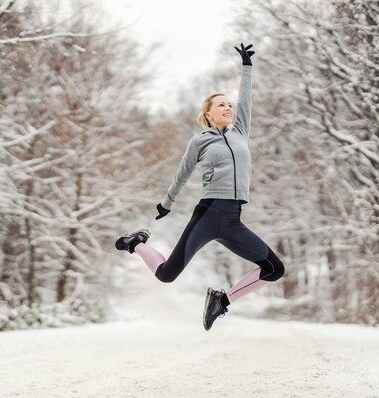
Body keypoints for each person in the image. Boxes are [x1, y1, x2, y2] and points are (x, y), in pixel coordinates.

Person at [115, 43, 285, 331]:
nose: (228, 107)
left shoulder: (240, 132)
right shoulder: (200, 140)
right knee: (167, 275)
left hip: (232, 220)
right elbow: (183, 173)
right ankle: (136, 244)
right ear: (207, 114)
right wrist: (166, 204)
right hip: (208, 214)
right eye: (221, 105)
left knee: (274, 269)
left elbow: (246, 101)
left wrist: (246, 68)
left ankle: (222, 300)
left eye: (229, 104)